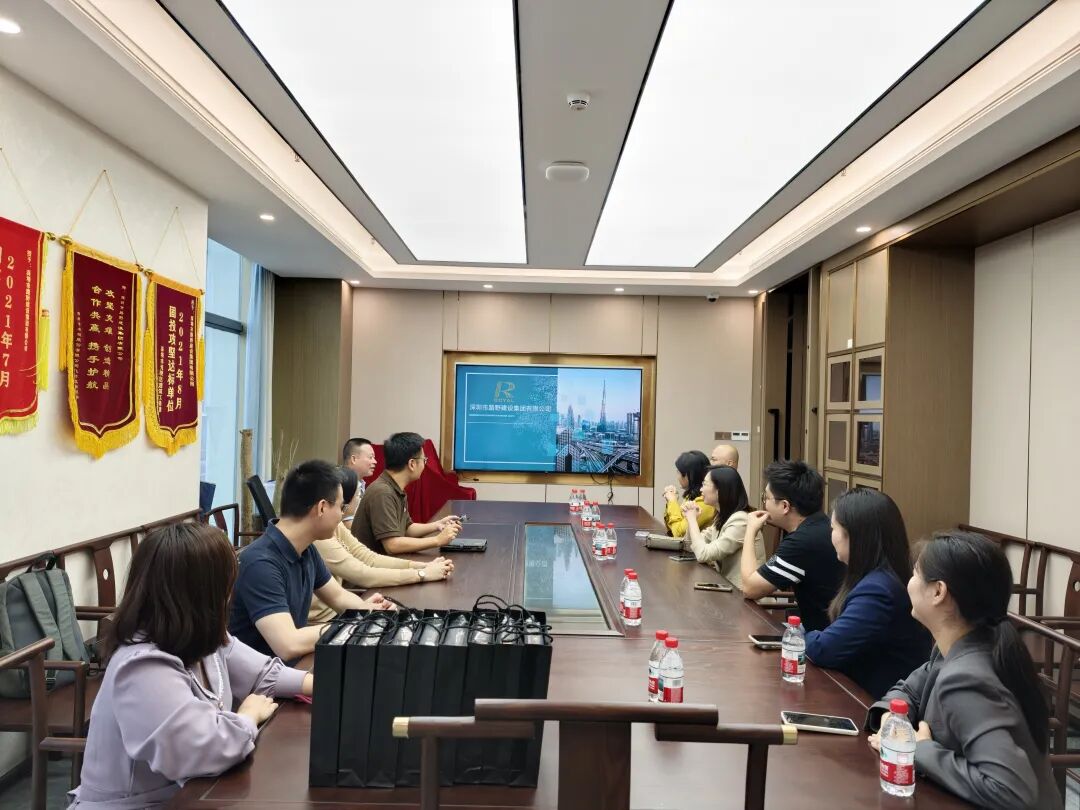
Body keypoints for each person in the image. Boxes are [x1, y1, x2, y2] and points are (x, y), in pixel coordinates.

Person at [69, 523, 312, 809]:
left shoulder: (203, 639)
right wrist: (248, 716)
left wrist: (320, 684)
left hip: (190, 794)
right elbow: (205, 750)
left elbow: (263, 673)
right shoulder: (142, 666)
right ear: (206, 592)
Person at [867, 531, 1060, 809]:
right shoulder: (962, 645)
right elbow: (909, 690)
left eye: (915, 573)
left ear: (938, 592)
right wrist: (892, 719)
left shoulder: (967, 677)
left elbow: (1011, 791)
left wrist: (920, 749)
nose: (909, 581)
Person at [229, 460, 391, 662]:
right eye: (341, 507)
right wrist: (355, 623)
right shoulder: (260, 564)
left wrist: (369, 611)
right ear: (322, 508)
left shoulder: (307, 549)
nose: (341, 515)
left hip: (288, 668)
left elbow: (338, 597)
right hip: (262, 678)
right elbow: (289, 644)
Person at [802, 489, 931, 698]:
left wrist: (800, 635)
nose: (830, 535)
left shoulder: (878, 590)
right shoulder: (882, 574)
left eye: (833, 528)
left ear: (854, 535)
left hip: (872, 702)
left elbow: (824, 649)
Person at [308, 466, 455, 624]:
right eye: (357, 495)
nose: (359, 499)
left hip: (340, 612)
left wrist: (423, 566)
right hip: (327, 621)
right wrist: (422, 574)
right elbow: (364, 574)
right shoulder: (319, 535)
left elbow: (368, 558)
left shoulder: (334, 524)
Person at [738, 460, 843, 631]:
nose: (764, 503)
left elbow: (750, 588)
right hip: (831, 630)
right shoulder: (820, 525)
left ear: (785, 506)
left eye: (766, 498)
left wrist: (750, 530)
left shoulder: (802, 543)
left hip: (824, 637)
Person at [352, 432, 462, 554]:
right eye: (424, 460)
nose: (424, 465)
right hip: (371, 564)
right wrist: (437, 540)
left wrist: (437, 525)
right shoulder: (383, 492)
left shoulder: (394, 487)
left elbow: (407, 528)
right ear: (412, 464)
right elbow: (392, 545)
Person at [682, 465, 765, 590]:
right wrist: (691, 519)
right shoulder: (722, 517)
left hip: (745, 596)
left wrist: (692, 519)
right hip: (727, 588)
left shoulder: (741, 520)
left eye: (704, 484)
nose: (701, 489)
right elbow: (689, 546)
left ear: (720, 490)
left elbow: (703, 554)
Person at [662, 450, 715, 537]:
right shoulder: (691, 495)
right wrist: (670, 502)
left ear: (688, 475)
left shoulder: (706, 502)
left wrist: (672, 502)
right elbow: (671, 529)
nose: (677, 477)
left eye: (678, 472)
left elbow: (678, 534)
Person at [342, 436, 377, 513]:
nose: (375, 461)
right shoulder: (340, 485)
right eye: (370, 457)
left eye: (374, 457)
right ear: (354, 459)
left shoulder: (362, 485)